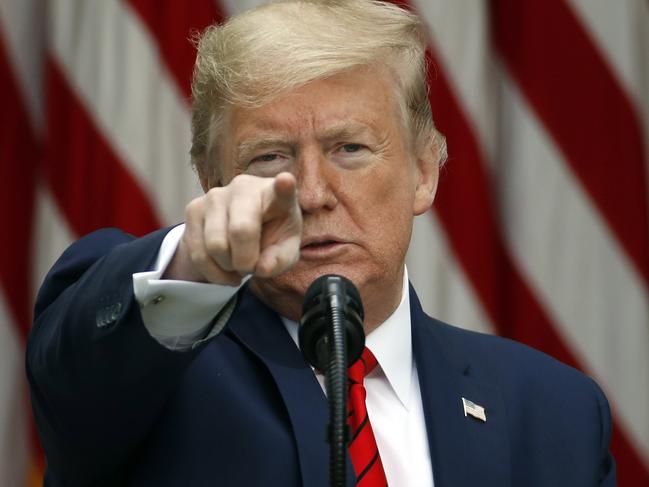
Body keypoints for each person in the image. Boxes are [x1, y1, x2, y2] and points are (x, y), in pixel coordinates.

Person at [27, 1, 615, 486]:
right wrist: (195, 261)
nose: (310, 194)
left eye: (350, 149)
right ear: (213, 186)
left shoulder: (555, 413)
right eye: (269, 157)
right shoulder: (149, 373)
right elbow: (72, 375)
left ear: (424, 171)